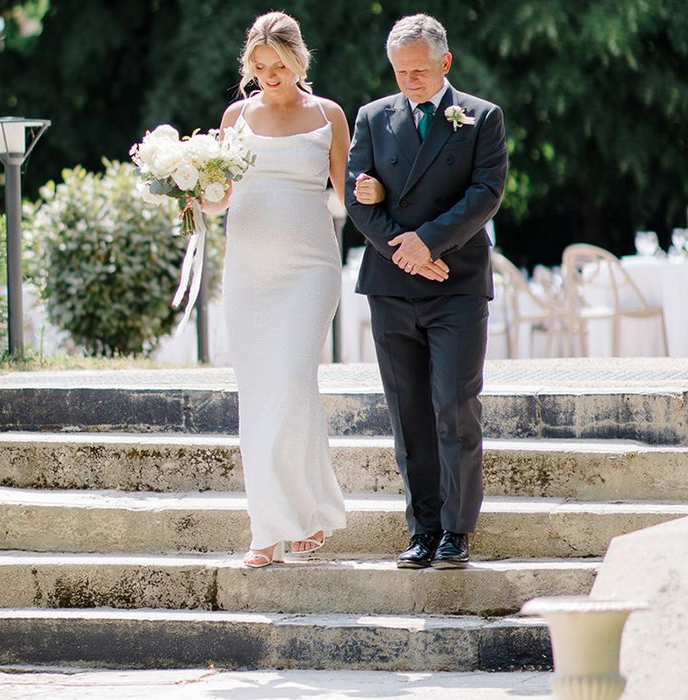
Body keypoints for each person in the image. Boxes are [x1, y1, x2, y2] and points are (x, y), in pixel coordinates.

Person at [345, 14, 508, 569]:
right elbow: (356, 196)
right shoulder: (371, 117)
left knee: (454, 405)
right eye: (399, 72)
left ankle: (457, 532)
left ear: (445, 62)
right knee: (407, 410)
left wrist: (429, 244)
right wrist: (403, 250)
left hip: (456, 282)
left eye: (418, 70)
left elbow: (486, 192)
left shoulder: (482, 117)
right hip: (391, 286)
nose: (409, 80)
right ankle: (423, 529)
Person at [202, 11, 352, 567]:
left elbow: (349, 193)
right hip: (249, 272)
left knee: (289, 381)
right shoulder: (236, 116)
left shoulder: (327, 115)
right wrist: (188, 190)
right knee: (264, 393)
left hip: (310, 269)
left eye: (279, 66)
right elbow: (221, 197)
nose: (269, 75)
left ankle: (282, 523)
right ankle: (283, 523)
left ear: (298, 61)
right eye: (259, 67)